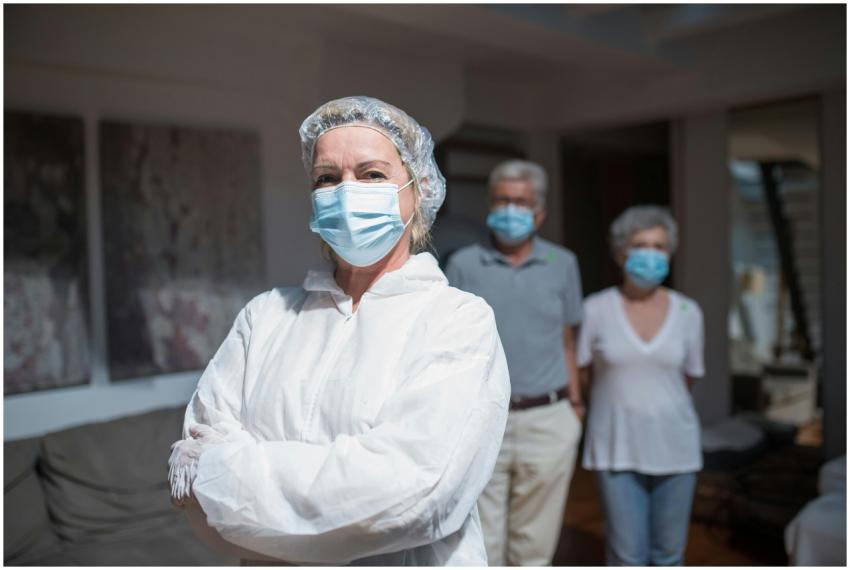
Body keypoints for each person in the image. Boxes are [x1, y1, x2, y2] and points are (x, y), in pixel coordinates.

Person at [166, 96, 511, 566]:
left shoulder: (457, 321)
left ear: (418, 190)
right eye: (327, 178)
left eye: (372, 174)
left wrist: (232, 475)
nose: (346, 192)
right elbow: (195, 477)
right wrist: (338, 490)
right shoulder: (265, 317)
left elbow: (414, 495)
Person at [444, 159, 584, 566]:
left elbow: (567, 339)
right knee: (481, 540)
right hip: (484, 418)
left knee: (535, 544)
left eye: (520, 202)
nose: (510, 210)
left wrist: (575, 405)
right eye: (502, 200)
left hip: (549, 418)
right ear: (490, 206)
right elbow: (449, 345)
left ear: (539, 212)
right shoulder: (463, 264)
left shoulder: (563, 264)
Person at [576, 205, 705, 566]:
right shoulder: (595, 309)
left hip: (676, 449)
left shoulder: (689, 313)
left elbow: (688, 378)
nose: (650, 254)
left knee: (669, 554)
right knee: (626, 555)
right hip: (616, 446)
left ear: (670, 253)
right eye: (640, 245)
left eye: (659, 246)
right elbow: (584, 372)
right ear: (621, 253)